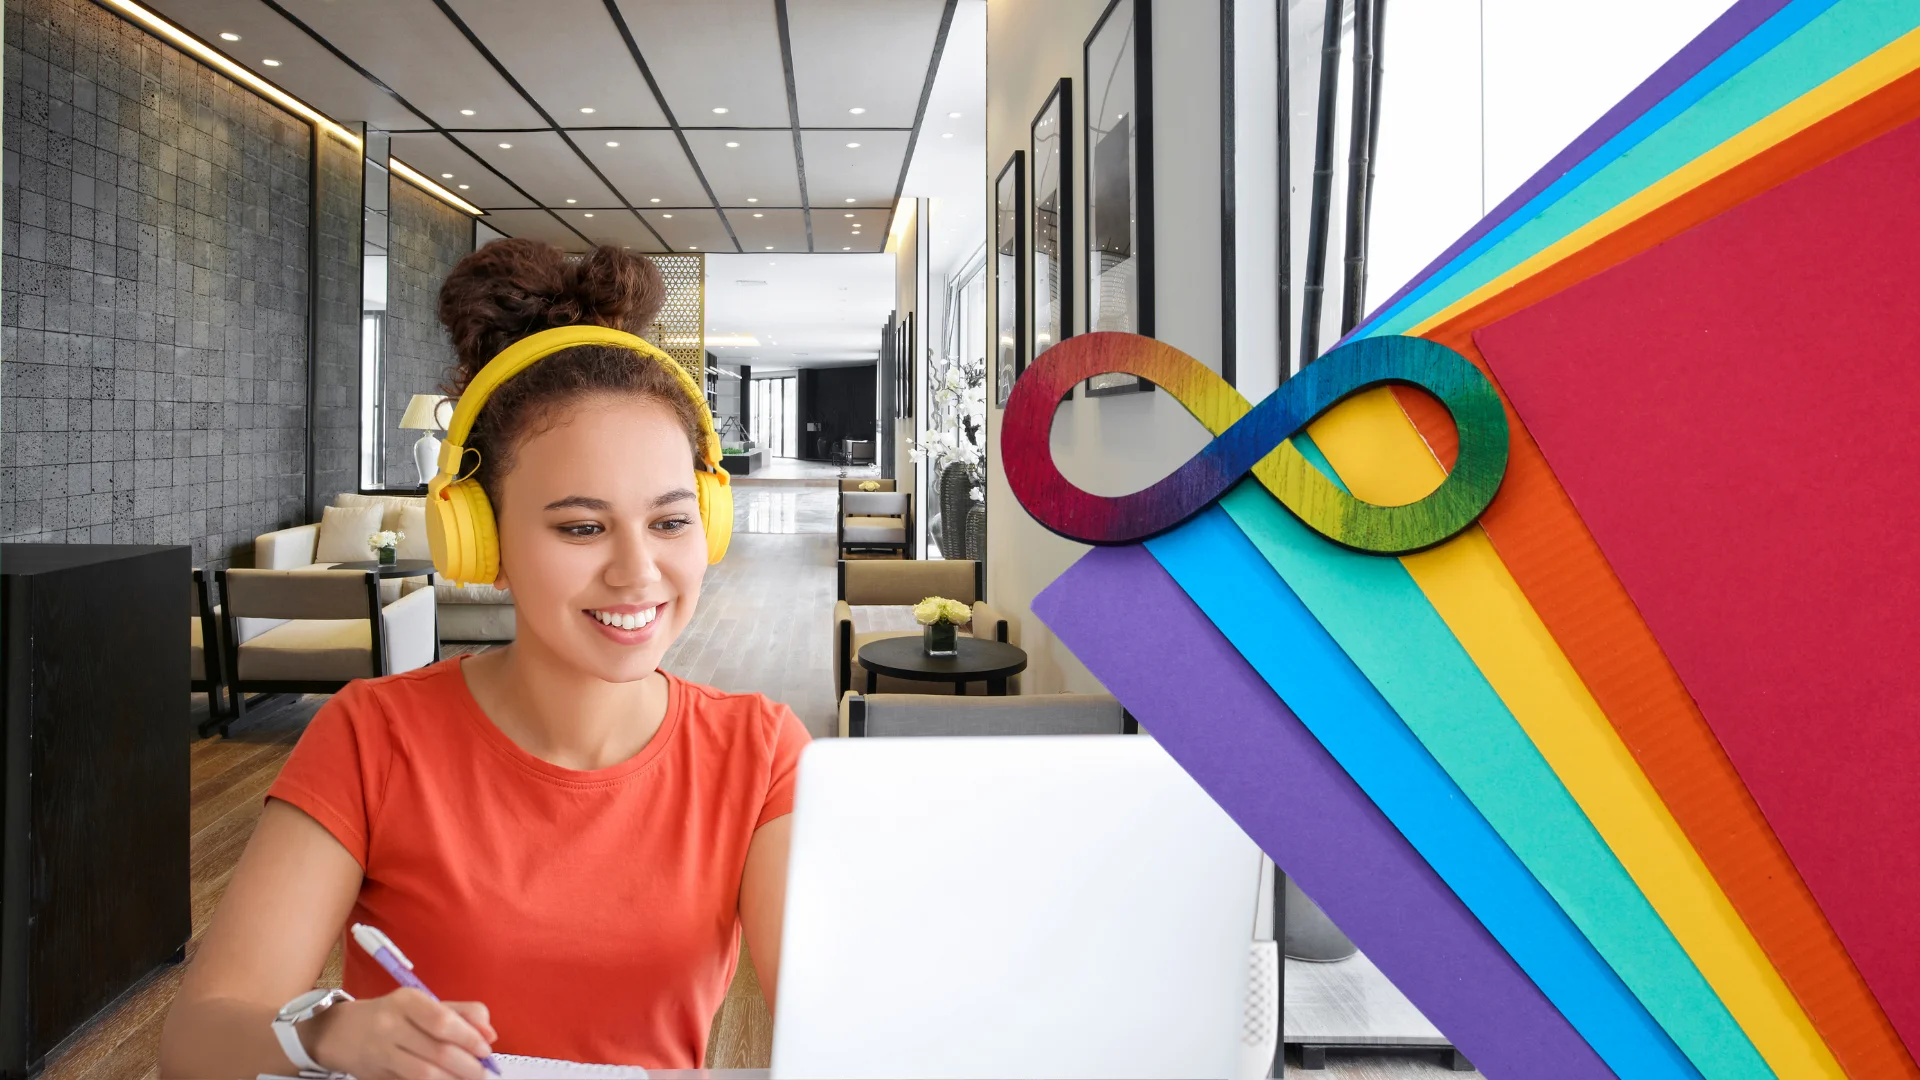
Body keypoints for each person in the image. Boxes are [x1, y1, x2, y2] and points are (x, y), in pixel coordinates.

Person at [160, 240, 809, 1078]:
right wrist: (320, 1037)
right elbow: (195, 1041)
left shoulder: (758, 755)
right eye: (580, 526)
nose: (637, 570)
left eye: (671, 521)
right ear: (480, 541)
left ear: (710, 523)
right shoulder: (372, 738)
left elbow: (834, 1024)